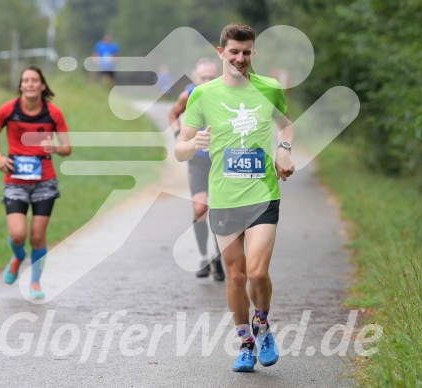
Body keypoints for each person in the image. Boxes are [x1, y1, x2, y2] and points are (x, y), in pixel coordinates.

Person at [175, 23, 295, 372]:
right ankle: (245, 343)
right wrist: (191, 145)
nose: (240, 58)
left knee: (257, 273)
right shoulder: (203, 95)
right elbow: (179, 149)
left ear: (252, 53)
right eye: (234, 52)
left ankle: (262, 325)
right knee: (236, 277)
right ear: (221, 52)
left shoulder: (269, 88)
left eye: (246, 52)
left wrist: (284, 151)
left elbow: (286, 125)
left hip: (263, 195)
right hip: (225, 198)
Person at [0, 66, 71, 299]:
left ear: (43, 85)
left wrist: (55, 147)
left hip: (44, 180)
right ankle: (17, 256)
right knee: (17, 235)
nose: (30, 84)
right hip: (15, 179)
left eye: (35, 80)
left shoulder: (53, 113)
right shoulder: (8, 110)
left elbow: (67, 148)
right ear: (21, 86)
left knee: (37, 236)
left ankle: (35, 282)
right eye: (26, 80)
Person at [168, 58, 225, 281]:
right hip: (198, 159)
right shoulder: (189, 95)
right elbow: (172, 114)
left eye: (212, 77)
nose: (208, 81)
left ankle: (218, 259)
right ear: (195, 78)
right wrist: (177, 137)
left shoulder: (226, 94)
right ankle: (203, 257)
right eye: (203, 78)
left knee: (221, 211)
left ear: (219, 76)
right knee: (200, 209)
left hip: (222, 159)